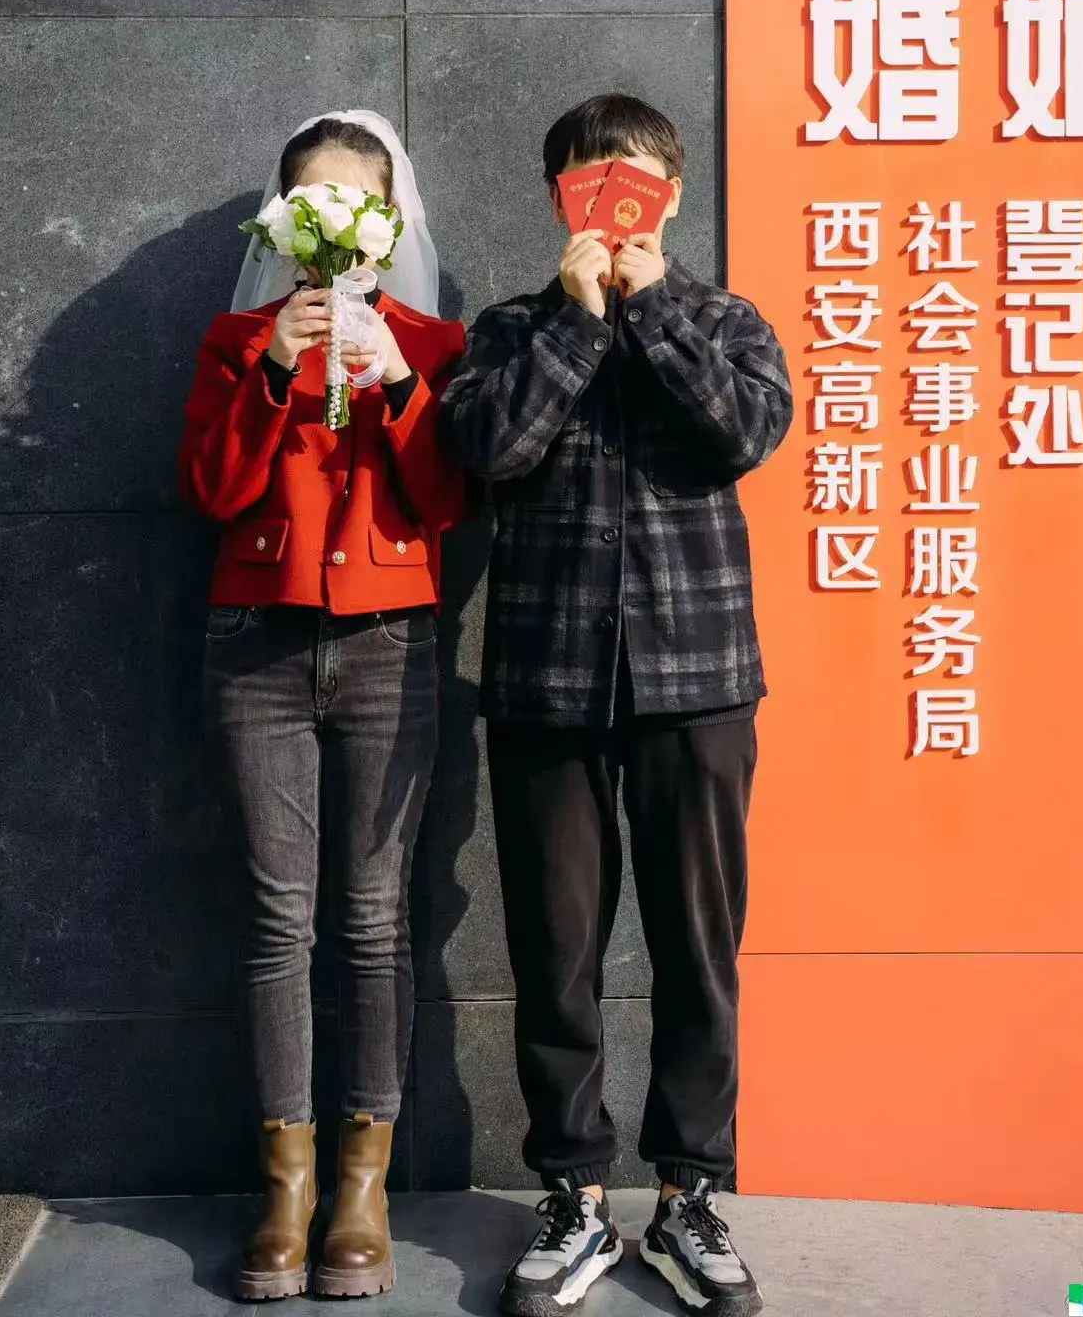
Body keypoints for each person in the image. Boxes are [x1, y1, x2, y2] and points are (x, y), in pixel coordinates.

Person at [441, 93, 792, 1317]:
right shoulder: (509, 330)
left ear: (670, 196)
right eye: (588, 180)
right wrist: (578, 323)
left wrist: (652, 315)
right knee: (555, 951)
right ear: (559, 198)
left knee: (698, 944)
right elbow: (484, 451)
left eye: (632, 180)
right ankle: (574, 1195)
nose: (612, 200)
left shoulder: (723, 320)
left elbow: (744, 432)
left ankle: (689, 1193)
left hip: (698, 681)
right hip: (545, 685)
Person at [179, 110, 468, 1302]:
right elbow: (212, 489)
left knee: (372, 919)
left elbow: (444, 501)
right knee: (274, 919)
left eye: (356, 204)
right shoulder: (238, 339)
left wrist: (397, 381)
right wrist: (270, 369)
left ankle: (361, 1187)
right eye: (312, 204)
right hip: (256, 640)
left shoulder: (430, 342)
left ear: (390, 220)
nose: (336, 226)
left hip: (389, 643)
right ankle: (286, 1185)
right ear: (282, 220)